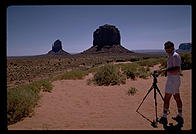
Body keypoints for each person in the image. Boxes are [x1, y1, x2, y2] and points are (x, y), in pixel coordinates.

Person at [158, 41, 184, 125]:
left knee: (167, 98)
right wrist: (165, 70)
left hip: (173, 79)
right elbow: (172, 67)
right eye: (165, 47)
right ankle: (180, 115)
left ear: (172, 47)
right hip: (174, 79)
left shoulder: (175, 56)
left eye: (168, 47)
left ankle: (164, 117)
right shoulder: (171, 56)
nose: (166, 49)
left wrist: (165, 70)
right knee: (177, 97)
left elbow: (176, 69)